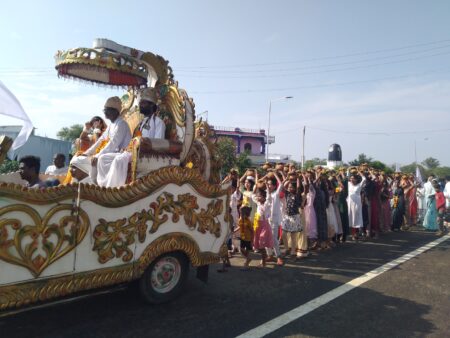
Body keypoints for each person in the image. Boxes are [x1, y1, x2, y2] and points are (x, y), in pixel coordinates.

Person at [95, 88, 165, 187]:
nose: (140, 105)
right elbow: (134, 140)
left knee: (118, 161)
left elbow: (158, 144)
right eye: (140, 102)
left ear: (151, 105)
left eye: (143, 103)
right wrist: (128, 148)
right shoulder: (141, 123)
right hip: (131, 152)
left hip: (144, 154)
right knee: (103, 158)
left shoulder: (158, 123)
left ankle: (115, 190)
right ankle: (103, 186)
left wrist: (140, 148)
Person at [71, 96, 132, 185]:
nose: (104, 112)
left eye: (106, 109)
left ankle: (104, 186)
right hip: (109, 153)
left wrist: (97, 155)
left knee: (101, 159)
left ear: (115, 111)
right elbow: (100, 141)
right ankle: (89, 183)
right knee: (77, 159)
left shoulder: (121, 124)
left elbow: (113, 143)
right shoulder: (112, 125)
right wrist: (87, 153)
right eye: (104, 110)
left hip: (121, 154)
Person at [347, 171, 366, 240]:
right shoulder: (349, 184)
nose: (352, 179)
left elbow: (364, 179)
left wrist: (359, 172)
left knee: (356, 218)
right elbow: (344, 178)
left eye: (353, 178)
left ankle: (357, 234)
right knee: (350, 218)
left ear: (356, 179)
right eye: (351, 178)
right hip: (349, 203)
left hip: (356, 204)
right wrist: (348, 171)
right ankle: (352, 234)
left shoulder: (359, 185)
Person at [235, 205, 253, 270]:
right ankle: (248, 259)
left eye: (241, 212)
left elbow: (252, 231)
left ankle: (246, 264)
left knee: (246, 251)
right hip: (242, 237)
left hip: (248, 238)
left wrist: (252, 241)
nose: (240, 213)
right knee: (242, 249)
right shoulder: (240, 220)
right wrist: (234, 230)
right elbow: (240, 226)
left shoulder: (248, 221)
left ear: (245, 213)